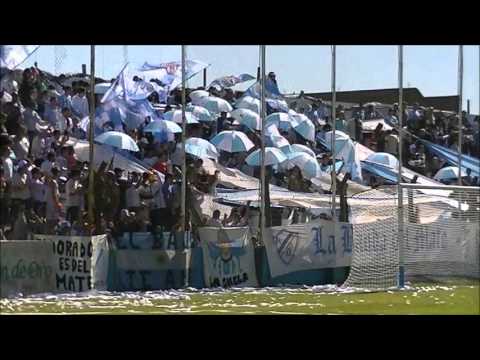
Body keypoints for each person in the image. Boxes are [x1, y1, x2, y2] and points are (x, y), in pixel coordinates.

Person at [45, 167, 63, 233]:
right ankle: (50, 233)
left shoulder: (52, 181)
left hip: (51, 202)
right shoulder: (53, 182)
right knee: (53, 220)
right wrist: (57, 203)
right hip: (52, 203)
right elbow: (53, 194)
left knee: (52, 219)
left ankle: (50, 232)